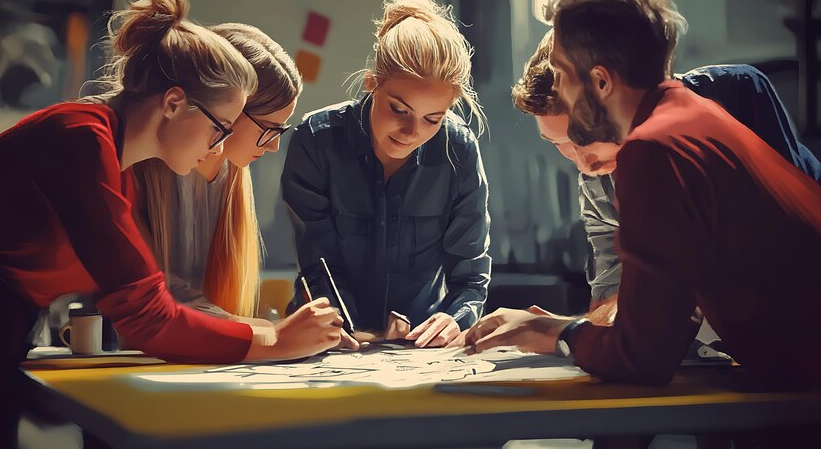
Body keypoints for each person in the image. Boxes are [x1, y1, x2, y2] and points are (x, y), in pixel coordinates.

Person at [0, 2, 346, 445]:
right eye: (220, 128)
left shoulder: (118, 167)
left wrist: (269, 332)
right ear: (174, 102)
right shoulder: (82, 140)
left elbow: (145, 298)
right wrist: (274, 341)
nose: (217, 146)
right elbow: (147, 317)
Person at [466, 0, 821, 396]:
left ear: (601, 82)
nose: (561, 92)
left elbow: (643, 357)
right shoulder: (694, 112)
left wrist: (554, 332)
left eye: (563, 75)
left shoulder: (652, 149)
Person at [512, 29, 821, 315]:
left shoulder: (735, 94)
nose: (582, 162)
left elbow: (787, 249)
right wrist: (572, 331)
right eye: (559, 143)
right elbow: (612, 298)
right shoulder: (599, 180)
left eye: (584, 137)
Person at [282, 0, 491, 348]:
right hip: (327, 343)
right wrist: (350, 329)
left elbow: (470, 276)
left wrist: (454, 320)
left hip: (420, 351)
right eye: (399, 109)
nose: (412, 131)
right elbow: (320, 267)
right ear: (371, 83)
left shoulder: (459, 149)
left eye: (432, 119)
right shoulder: (316, 141)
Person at [131, 23, 318, 329]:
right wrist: (270, 333)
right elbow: (157, 295)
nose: (273, 146)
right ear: (232, 105)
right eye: (268, 129)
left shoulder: (233, 175)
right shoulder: (146, 167)